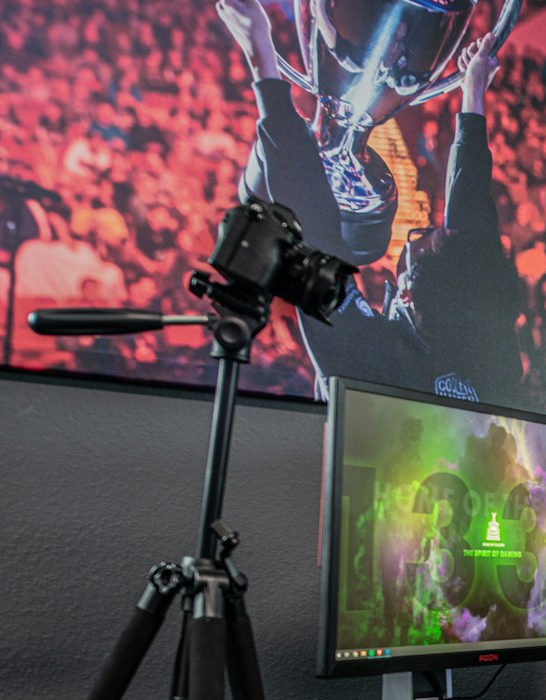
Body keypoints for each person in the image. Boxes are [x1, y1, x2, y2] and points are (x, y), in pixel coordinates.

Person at [216, 0, 523, 405]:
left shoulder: (371, 363)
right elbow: (471, 225)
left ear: (408, 292)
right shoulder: (488, 349)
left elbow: (313, 235)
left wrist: (261, 53)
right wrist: (473, 95)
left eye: (423, 239)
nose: (428, 228)